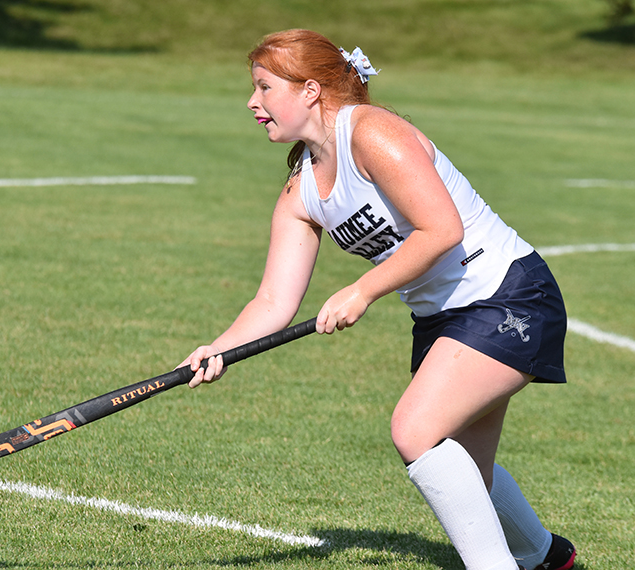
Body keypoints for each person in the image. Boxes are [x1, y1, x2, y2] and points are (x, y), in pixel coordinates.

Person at [180, 29, 576, 570]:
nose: (253, 102)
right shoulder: (302, 191)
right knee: (463, 466)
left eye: (265, 88)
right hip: (443, 316)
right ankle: (548, 557)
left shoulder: (372, 133)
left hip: (507, 293)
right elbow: (274, 300)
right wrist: (217, 348)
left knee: (414, 429)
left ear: (310, 91)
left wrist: (362, 290)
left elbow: (442, 229)